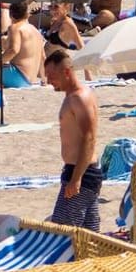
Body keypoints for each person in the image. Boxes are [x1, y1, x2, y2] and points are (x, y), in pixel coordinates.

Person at [46, 49, 101, 231]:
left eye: (52, 76)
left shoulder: (79, 98)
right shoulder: (74, 96)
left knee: (64, 232)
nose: (48, 81)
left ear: (67, 72)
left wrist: (76, 178)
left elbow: (89, 137)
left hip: (82, 172)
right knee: (89, 233)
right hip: (83, 171)